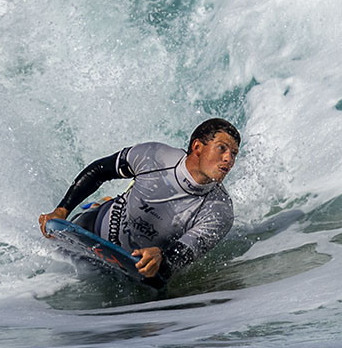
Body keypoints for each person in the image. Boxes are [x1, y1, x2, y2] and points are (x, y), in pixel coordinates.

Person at [39, 118, 240, 287]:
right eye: (222, 148)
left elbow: (182, 255)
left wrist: (161, 258)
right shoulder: (156, 157)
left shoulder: (219, 211)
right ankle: (100, 204)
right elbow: (100, 171)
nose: (228, 159)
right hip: (92, 228)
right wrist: (61, 210)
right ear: (197, 147)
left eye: (234, 154)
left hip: (133, 269)